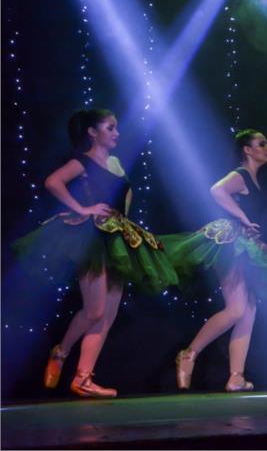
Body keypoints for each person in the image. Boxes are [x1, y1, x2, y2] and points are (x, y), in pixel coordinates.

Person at [13, 109, 179, 398]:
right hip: (92, 239)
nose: (116, 133)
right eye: (110, 127)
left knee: (107, 315)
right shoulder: (82, 161)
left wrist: (125, 226)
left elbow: (126, 196)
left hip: (118, 238)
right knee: (95, 310)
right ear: (92, 132)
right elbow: (52, 182)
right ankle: (61, 351)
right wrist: (83, 209)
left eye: (116, 128)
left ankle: (83, 378)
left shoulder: (115, 162)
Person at [163, 129, 267, 392]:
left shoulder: (254, 179)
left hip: (245, 246)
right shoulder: (240, 174)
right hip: (231, 243)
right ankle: (189, 354)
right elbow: (216, 191)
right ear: (247, 150)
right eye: (261, 144)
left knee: (248, 309)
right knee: (237, 309)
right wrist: (242, 218)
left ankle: (236, 376)